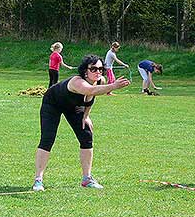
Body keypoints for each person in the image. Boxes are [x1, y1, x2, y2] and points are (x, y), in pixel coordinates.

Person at [33, 55, 131, 191]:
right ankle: (38, 180)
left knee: (86, 135)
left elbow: (91, 98)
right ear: (85, 71)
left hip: (73, 106)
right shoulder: (77, 81)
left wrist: (86, 116)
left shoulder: (99, 81)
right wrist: (113, 86)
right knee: (47, 139)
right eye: (93, 69)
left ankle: (87, 179)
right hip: (53, 104)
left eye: (101, 69)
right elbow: (90, 91)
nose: (98, 72)